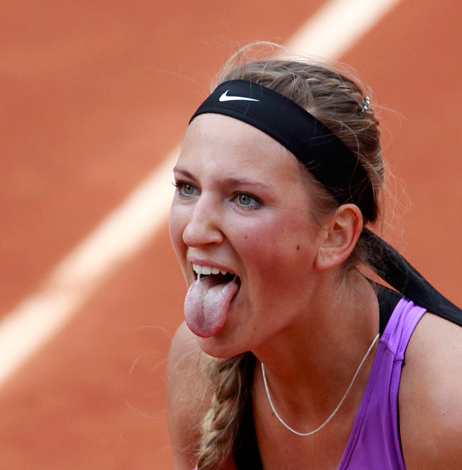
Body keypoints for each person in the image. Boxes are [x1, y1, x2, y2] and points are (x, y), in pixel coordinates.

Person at [165, 43, 462, 470]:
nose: (194, 229)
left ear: (336, 236)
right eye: (187, 188)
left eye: (244, 198)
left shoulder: (446, 404)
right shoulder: (197, 366)